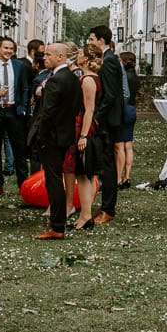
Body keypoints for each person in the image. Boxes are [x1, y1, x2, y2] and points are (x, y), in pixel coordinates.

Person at [31, 42, 79, 239]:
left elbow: (47, 112)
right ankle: (58, 222)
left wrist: (40, 135)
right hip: (65, 134)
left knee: (54, 181)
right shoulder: (73, 78)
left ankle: (57, 225)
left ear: (61, 57)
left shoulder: (56, 80)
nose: (44, 58)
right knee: (56, 178)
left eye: (49, 54)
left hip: (52, 137)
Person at [87, 25, 126, 225]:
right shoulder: (107, 59)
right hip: (107, 119)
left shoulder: (109, 61)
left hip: (108, 121)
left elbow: (110, 94)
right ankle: (105, 206)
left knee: (108, 165)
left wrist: (96, 117)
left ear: (101, 40)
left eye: (92, 39)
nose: (90, 42)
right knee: (104, 164)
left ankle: (108, 208)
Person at [0, 37, 32, 196]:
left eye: (11, 48)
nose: (8, 51)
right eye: (6, 48)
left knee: (19, 149)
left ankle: (23, 184)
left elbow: (25, 87)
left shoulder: (19, 65)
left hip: (14, 111)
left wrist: (23, 107)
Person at [65, 44, 102, 231]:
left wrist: (84, 135)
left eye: (80, 54)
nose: (77, 56)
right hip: (83, 126)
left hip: (83, 127)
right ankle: (85, 215)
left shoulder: (88, 80)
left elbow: (89, 110)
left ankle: (86, 214)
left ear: (86, 59)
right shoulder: (91, 77)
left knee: (83, 173)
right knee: (84, 174)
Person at [117, 51, 139, 188]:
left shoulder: (123, 76)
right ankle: (127, 176)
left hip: (123, 109)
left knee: (119, 146)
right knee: (128, 145)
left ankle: (118, 177)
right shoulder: (135, 77)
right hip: (132, 109)